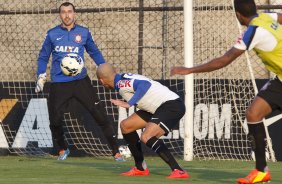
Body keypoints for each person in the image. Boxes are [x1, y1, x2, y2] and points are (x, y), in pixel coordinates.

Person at [171, 0, 282, 183]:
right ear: (255, 9)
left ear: (238, 14)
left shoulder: (252, 33)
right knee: (254, 113)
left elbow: (224, 60)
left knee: (254, 113)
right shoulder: (267, 16)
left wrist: (189, 70)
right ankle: (261, 171)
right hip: (279, 81)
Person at [35, 2, 123, 161]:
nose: (67, 15)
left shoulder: (84, 32)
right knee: (54, 121)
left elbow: (94, 51)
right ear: (59, 14)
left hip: (81, 81)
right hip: (59, 83)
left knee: (100, 115)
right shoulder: (51, 34)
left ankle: (116, 151)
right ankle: (62, 149)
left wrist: (104, 70)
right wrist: (41, 75)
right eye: (63, 12)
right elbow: (43, 56)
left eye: (69, 12)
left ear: (74, 14)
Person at [96, 63, 189, 179]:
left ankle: (178, 170)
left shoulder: (121, 83)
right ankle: (140, 168)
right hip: (156, 108)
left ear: (101, 81)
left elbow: (144, 85)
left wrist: (128, 103)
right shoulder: (122, 79)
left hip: (171, 105)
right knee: (126, 126)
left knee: (146, 136)